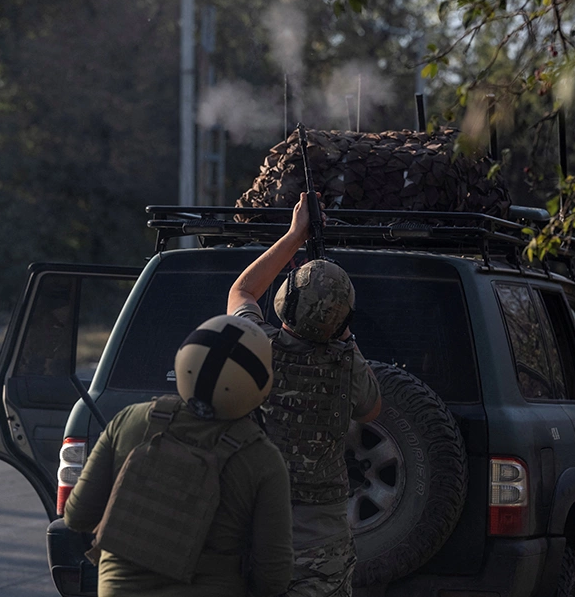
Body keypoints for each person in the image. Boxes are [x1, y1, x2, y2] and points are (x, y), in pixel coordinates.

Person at [63, 314, 293, 597]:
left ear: (184, 358)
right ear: (261, 386)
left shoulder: (130, 421)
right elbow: (273, 577)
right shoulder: (262, 459)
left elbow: (77, 516)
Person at [227, 192, 382, 597]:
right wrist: (344, 338)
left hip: (255, 530)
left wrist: (294, 236)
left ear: (285, 301)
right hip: (321, 543)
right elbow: (371, 409)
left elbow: (243, 292)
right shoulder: (347, 366)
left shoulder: (257, 346)